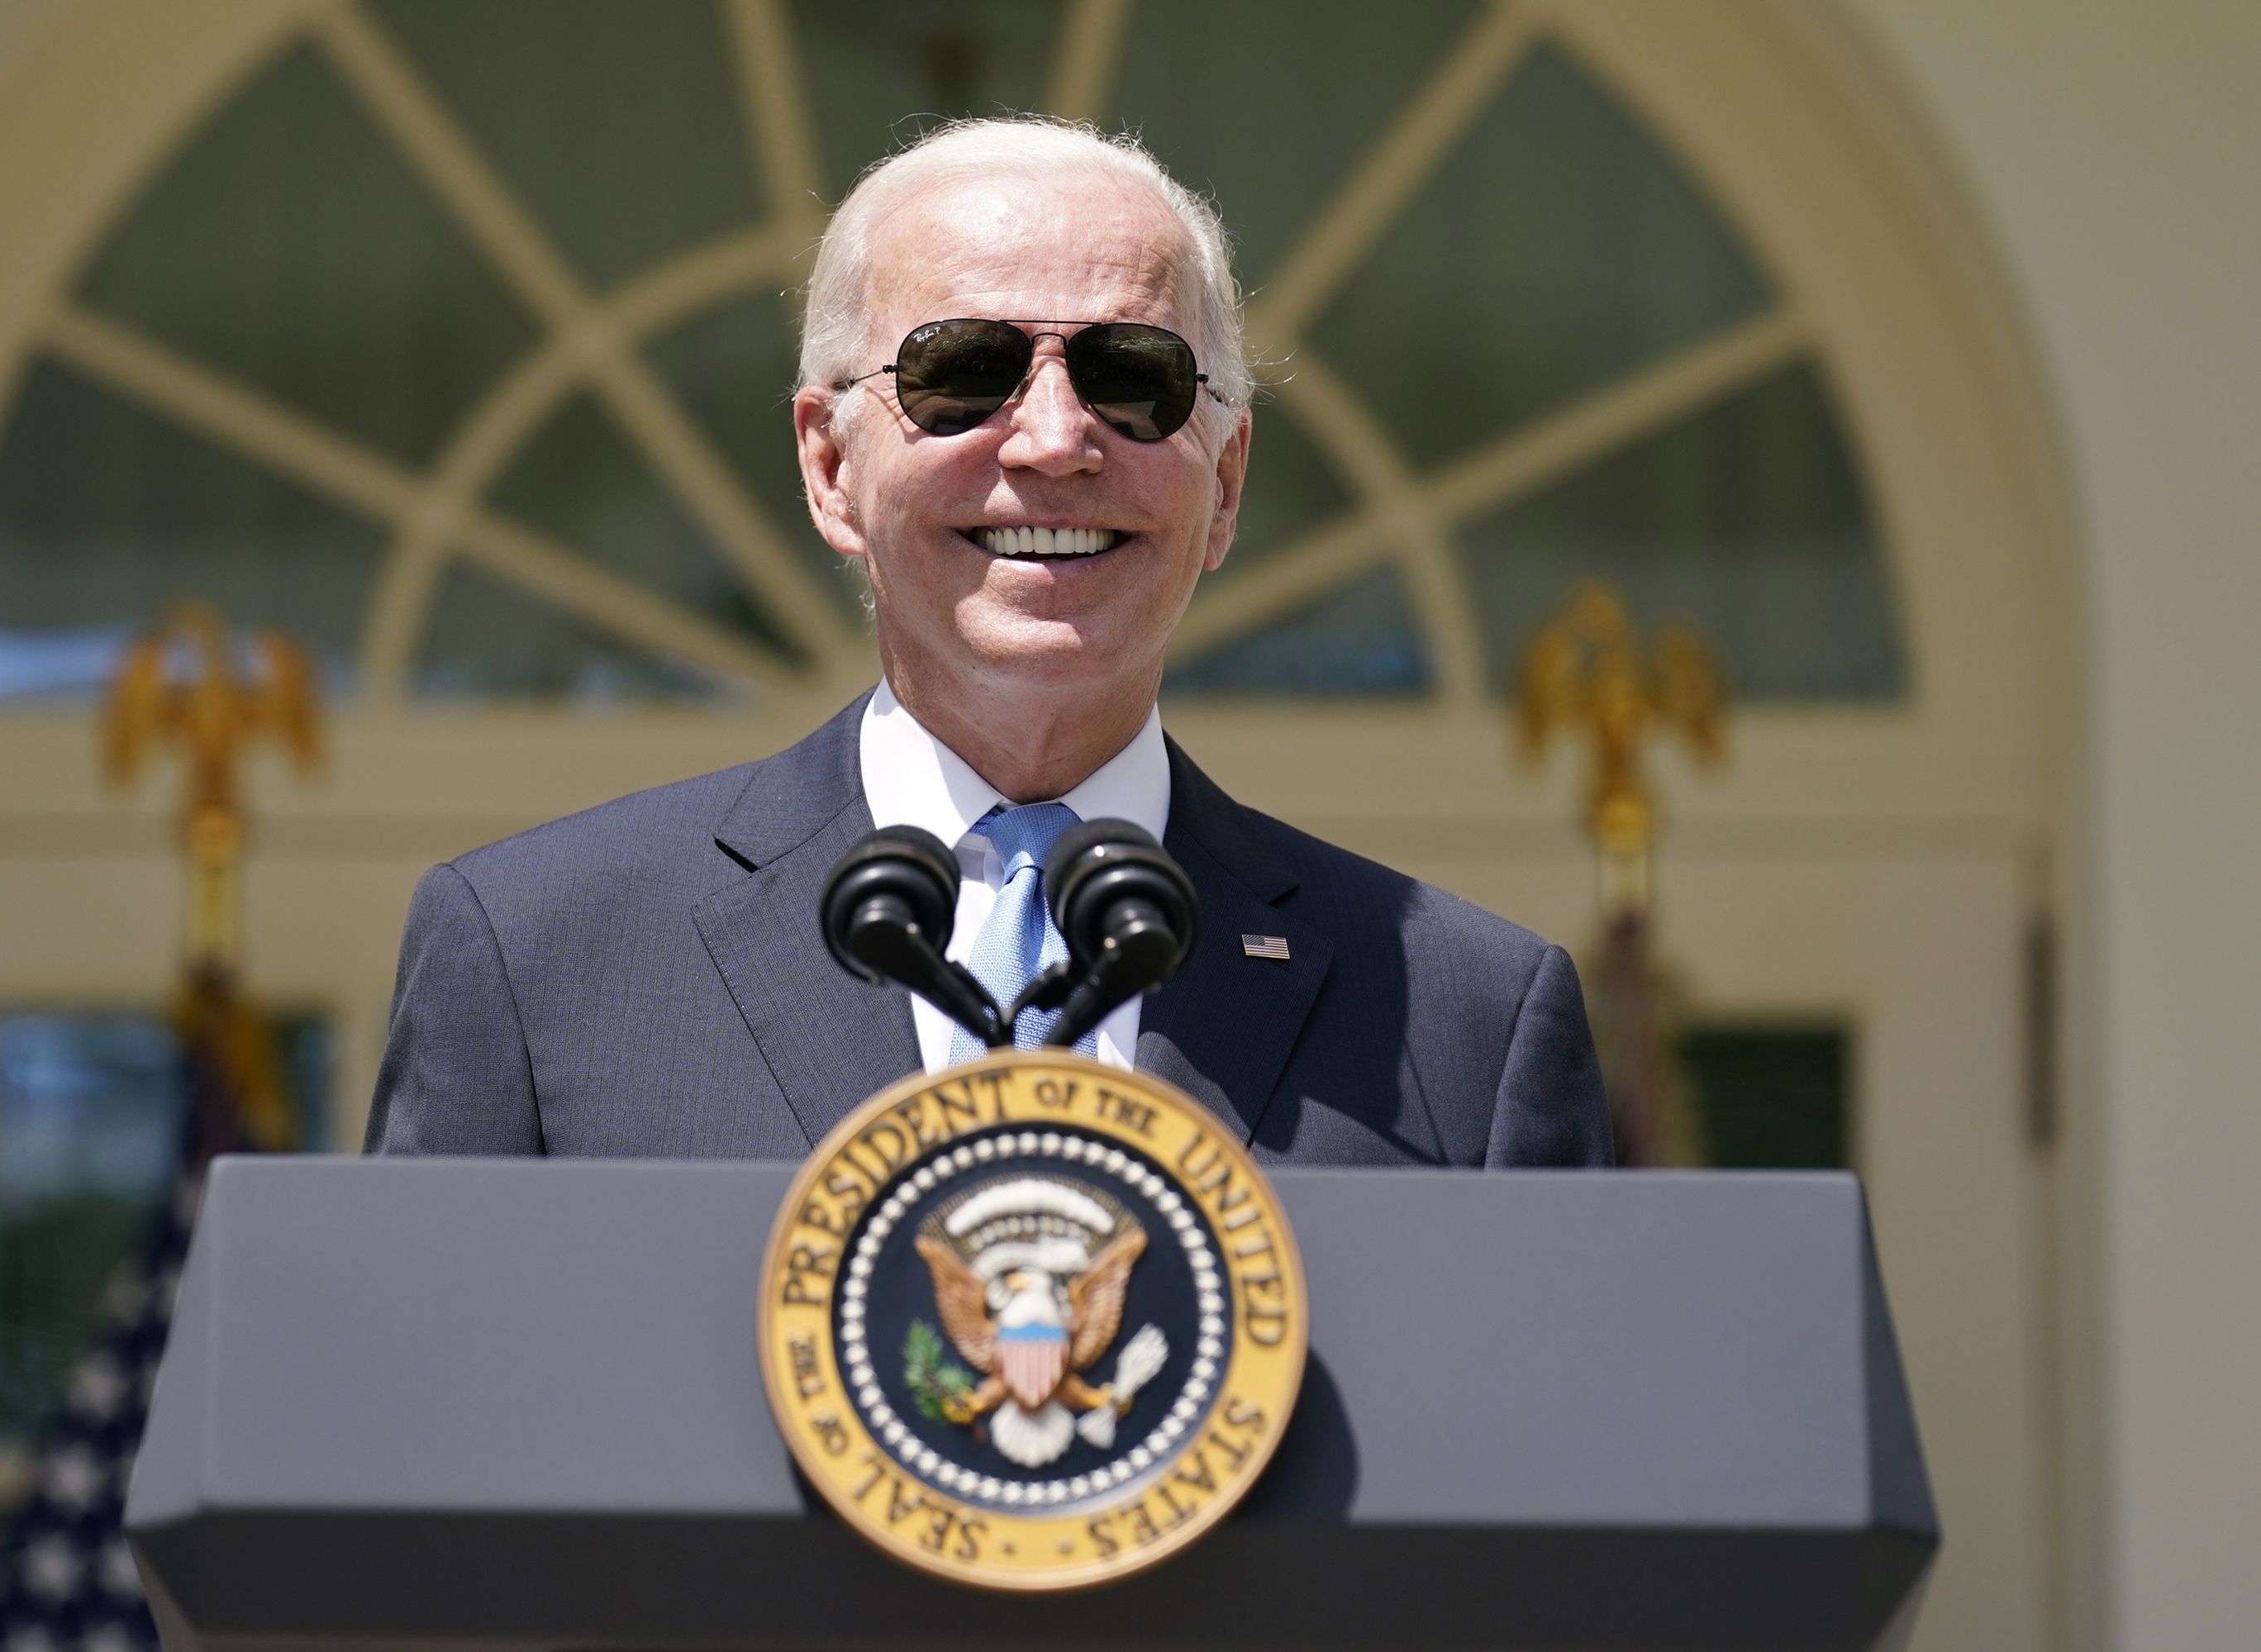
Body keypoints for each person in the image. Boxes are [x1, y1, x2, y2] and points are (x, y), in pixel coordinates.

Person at [366, 119, 1611, 1168]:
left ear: (1225, 482)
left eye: (1134, 378)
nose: (1055, 440)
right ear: (828, 465)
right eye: (964, 371)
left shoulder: (1463, 1022)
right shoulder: (537, 962)